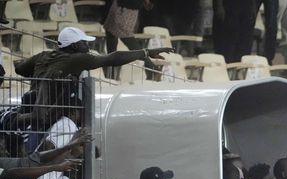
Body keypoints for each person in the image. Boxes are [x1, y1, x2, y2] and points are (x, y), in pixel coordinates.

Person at [15, 27, 171, 120]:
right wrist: (146, 52)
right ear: (74, 45)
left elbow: (19, 69)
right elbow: (113, 58)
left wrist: (43, 77)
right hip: (50, 113)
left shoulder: (43, 55)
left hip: (31, 106)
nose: (87, 45)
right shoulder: (77, 58)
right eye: (84, 42)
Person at [103, 0, 158, 78]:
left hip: (125, 8)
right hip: (123, 6)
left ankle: (151, 67)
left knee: (126, 37)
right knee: (112, 34)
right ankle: (110, 74)